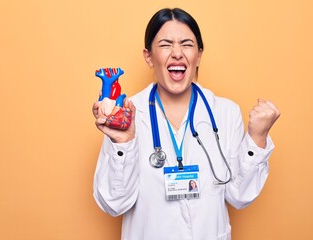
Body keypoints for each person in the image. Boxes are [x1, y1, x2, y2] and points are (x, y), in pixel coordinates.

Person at [92, 8, 280, 240]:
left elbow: (239, 196)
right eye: (165, 44)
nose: (177, 53)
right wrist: (124, 144)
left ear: (199, 55)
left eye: (187, 44)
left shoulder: (225, 112)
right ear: (148, 56)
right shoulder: (127, 115)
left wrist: (257, 138)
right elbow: (114, 204)